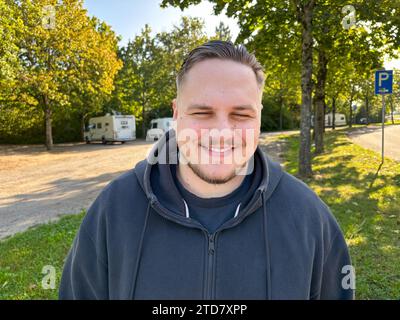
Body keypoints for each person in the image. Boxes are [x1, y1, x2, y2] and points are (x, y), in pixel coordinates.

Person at [59, 40, 354, 300]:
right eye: (202, 113)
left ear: (259, 117)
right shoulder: (114, 210)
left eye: (241, 114)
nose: (222, 133)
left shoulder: (308, 218)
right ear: (176, 113)